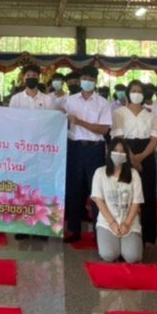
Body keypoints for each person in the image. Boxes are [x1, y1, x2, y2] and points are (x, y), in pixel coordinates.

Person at [63, 66, 111, 242]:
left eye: (91, 79)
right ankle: (73, 230)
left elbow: (104, 129)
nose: (87, 82)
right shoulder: (69, 100)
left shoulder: (103, 103)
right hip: (74, 148)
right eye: (85, 78)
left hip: (94, 149)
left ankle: (100, 233)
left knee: (96, 190)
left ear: (96, 81)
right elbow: (62, 122)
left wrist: (80, 122)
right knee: (74, 189)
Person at [112, 80, 157, 247]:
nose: (136, 94)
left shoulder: (152, 115)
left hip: (146, 154)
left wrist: (141, 157)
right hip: (125, 152)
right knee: (123, 192)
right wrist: (132, 158)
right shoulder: (119, 113)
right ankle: (121, 230)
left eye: (140, 91)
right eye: (133, 90)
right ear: (128, 93)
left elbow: (154, 139)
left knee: (147, 194)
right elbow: (119, 137)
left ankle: (149, 236)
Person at [90, 137, 144, 264]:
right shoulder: (100, 173)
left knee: (132, 257)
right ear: (109, 152)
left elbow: (136, 202)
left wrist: (127, 223)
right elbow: (99, 201)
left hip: (129, 222)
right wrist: (112, 223)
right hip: (107, 223)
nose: (118, 154)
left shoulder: (134, 174)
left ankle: (126, 245)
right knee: (109, 255)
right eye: (115, 150)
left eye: (122, 151)